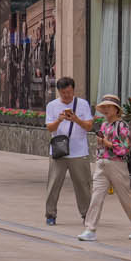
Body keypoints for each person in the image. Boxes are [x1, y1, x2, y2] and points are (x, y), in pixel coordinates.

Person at [79, 94, 131, 239]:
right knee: (96, 197)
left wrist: (106, 143)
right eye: (103, 107)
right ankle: (90, 229)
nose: (105, 110)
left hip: (117, 164)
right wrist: (100, 143)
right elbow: (102, 145)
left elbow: (125, 148)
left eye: (108, 107)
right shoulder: (104, 125)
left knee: (126, 198)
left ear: (116, 109)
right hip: (101, 164)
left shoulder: (122, 125)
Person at [44, 76, 95, 229]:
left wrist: (76, 119)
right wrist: (59, 120)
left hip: (79, 152)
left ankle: (87, 215)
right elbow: (50, 128)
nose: (67, 95)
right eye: (63, 93)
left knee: (83, 185)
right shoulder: (52, 105)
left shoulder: (83, 104)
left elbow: (89, 126)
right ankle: (50, 214)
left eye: (69, 92)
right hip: (59, 152)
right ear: (58, 91)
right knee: (53, 184)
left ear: (73, 90)